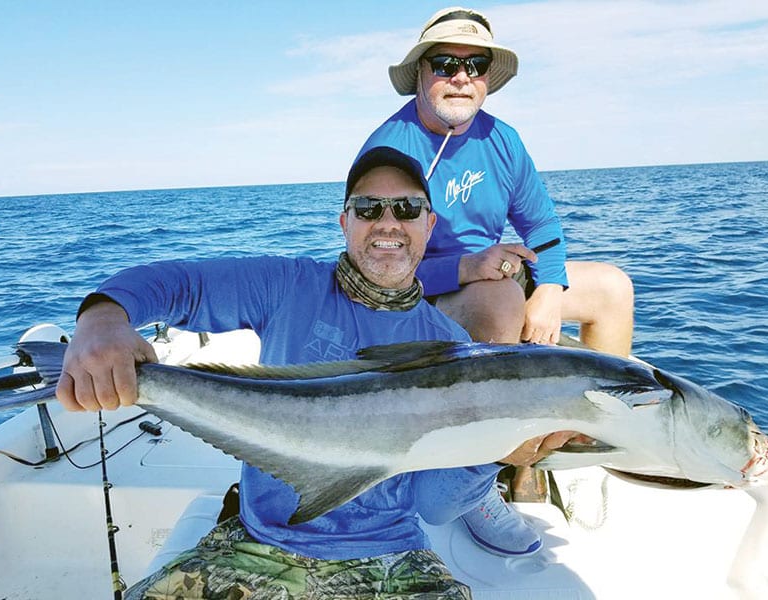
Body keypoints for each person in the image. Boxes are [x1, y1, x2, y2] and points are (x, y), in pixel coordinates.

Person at [56, 146, 574, 599]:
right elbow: (177, 284)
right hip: (260, 546)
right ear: (344, 221)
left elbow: (433, 506)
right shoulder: (289, 285)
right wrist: (102, 318)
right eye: (368, 208)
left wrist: (496, 450)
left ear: (428, 225)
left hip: (389, 559)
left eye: (408, 208)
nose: (387, 221)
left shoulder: (452, 348)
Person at [358, 7, 634, 556]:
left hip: (497, 270)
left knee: (611, 290)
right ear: (420, 73)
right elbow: (376, 262)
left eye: (475, 64)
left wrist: (551, 291)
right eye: (445, 62)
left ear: (487, 77)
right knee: (501, 306)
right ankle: (483, 481)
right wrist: (466, 267)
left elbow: (544, 228)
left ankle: (572, 438)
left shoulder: (503, 140)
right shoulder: (390, 149)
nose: (460, 75)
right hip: (418, 292)